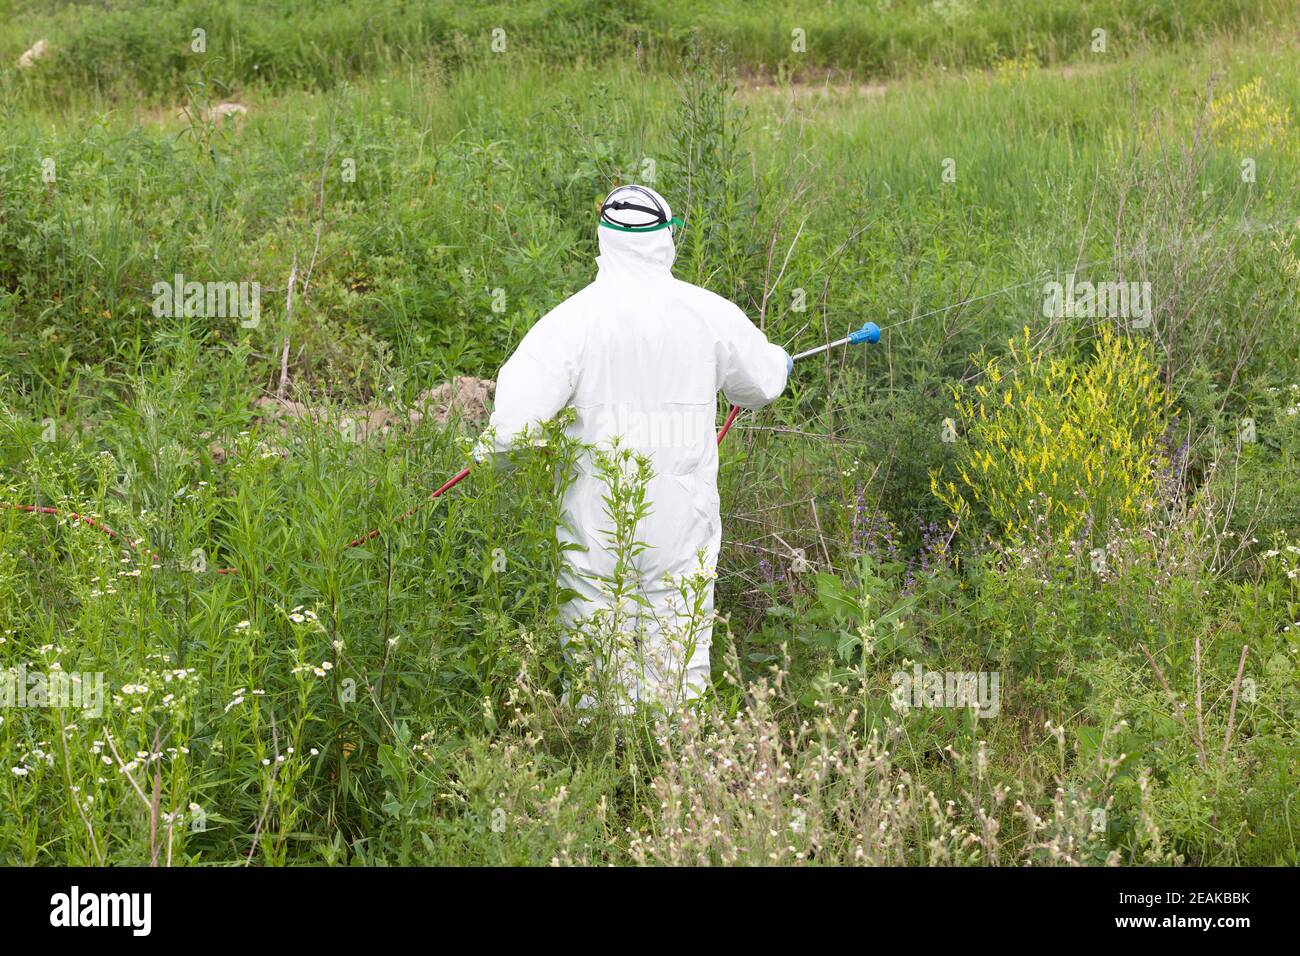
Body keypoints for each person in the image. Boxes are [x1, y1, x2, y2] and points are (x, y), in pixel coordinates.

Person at [479, 184, 790, 712]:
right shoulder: (708, 312)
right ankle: (672, 772)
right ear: (668, 239)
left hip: (596, 528)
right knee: (680, 661)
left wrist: (493, 458)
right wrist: (779, 360)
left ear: (603, 238)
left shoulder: (569, 322)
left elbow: (509, 429)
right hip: (681, 525)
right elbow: (760, 385)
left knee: (596, 664)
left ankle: (609, 770)